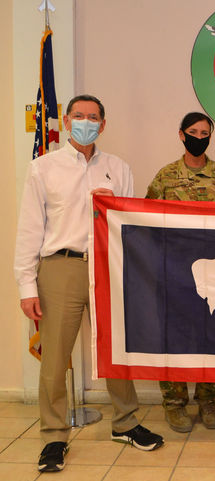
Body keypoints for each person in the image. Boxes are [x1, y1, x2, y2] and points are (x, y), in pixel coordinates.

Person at [14, 95, 164, 473]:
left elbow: (132, 226)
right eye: (78, 116)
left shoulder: (118, 168)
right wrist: (26, 287)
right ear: (66, 122)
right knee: (55, 356)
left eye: (93, 117)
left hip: (107, 267)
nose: (85, 121)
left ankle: (126, 422)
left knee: (114, 348)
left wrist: (114, 206)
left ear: (103, 124)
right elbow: (29, 231)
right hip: (60, 267)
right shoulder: (43, 168)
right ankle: (53, 435)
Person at [146, 112, 215, 433]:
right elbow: (146, 223)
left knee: (213, 337)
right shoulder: (165, 177)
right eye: (194, 132)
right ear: (182, 135)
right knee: (174, 340)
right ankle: (174, 404)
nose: (200, 136)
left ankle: (208, 399)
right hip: (175, 275)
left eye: (205, 132)